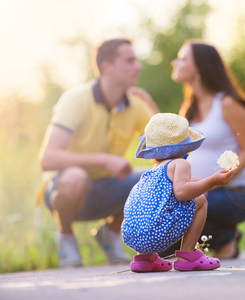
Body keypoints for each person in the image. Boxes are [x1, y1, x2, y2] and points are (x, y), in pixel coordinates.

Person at [37, 38, 159, 268]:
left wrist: (151, 104)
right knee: (75, 177)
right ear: (106, 67)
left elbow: (165, 146)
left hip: (109, 187)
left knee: (156, 179)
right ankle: (65, 236)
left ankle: (110, 233)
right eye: (130, 60)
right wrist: (104, 159)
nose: (139, 66)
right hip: (66, 190)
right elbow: (48, 158)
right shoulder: (76, 99)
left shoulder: (135, 103)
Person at [158, 40, 245, 259]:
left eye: (183, 58)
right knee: (162, 245)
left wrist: (215, 180)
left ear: (200, 67)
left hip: (233, 195)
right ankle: (224, 236)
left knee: (180, 212)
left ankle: (223, 237)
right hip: (199, 190)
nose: (175, 62)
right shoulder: (189, 109)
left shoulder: (228, 104)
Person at [121, 113, 235, 272]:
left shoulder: (153, 171)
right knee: (200, 201)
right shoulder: (180, 163)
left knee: (152, 210)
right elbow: (181, 193)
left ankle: (145, 259)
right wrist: (212, 181)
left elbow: (169, 196)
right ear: (185, 144)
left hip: (132, 236)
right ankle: (188, 255)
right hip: (156, 233)